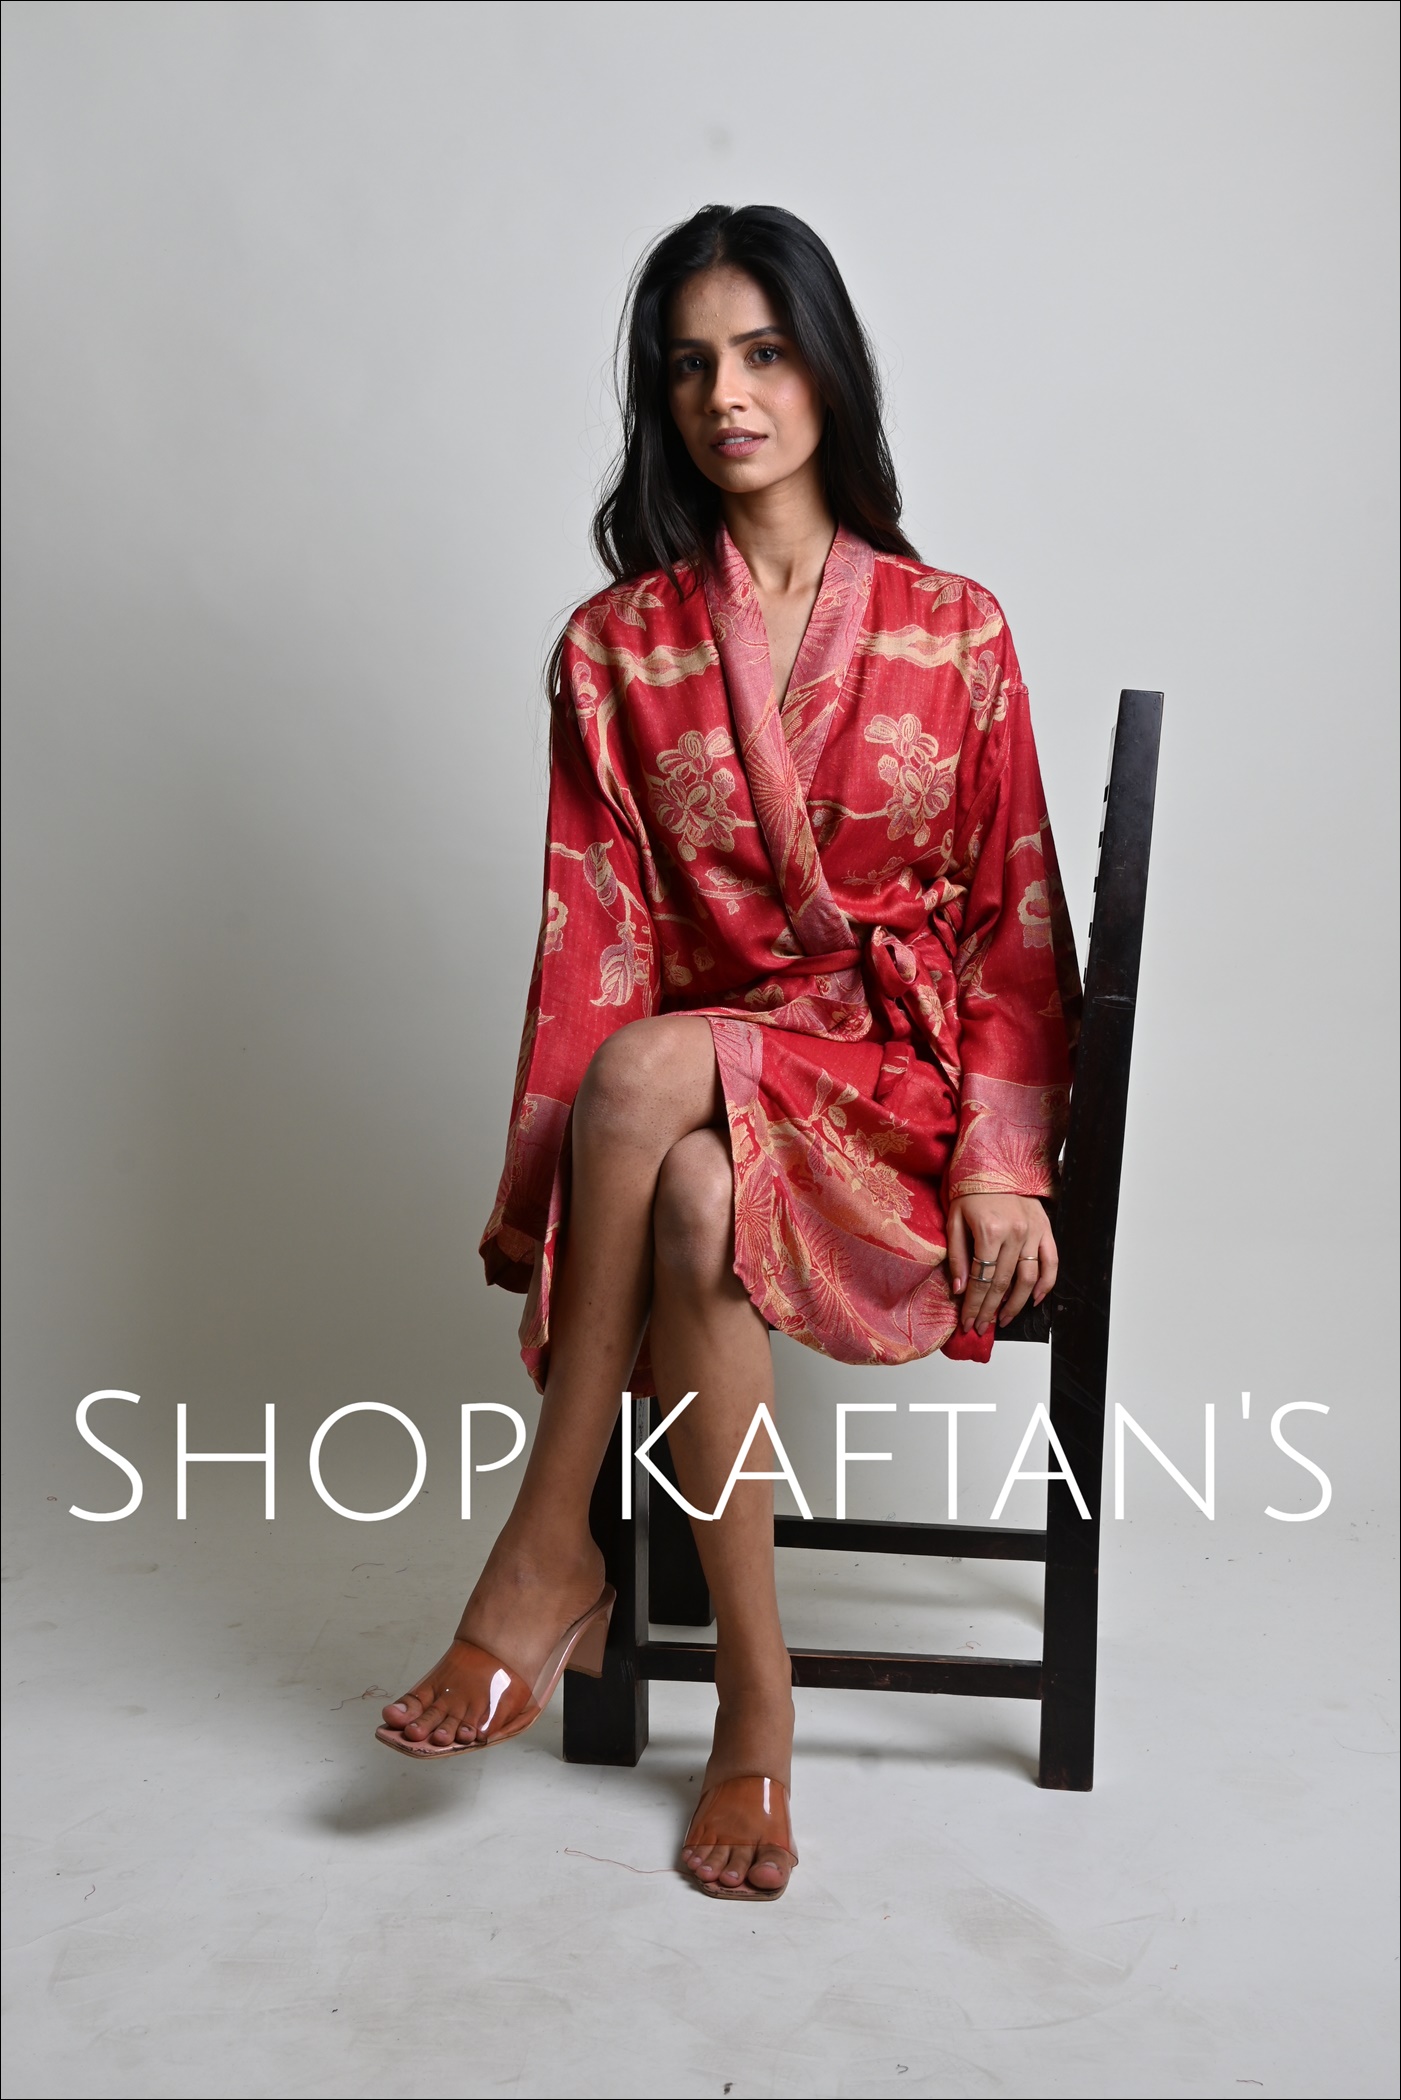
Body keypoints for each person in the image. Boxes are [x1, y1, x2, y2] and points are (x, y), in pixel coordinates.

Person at [377, 204, 1078, 1902]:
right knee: (685, 1184)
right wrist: (540, 1200)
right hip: (715, 1092)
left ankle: (546, 1551)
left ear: (828, 369)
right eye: (689, 365)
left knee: (645, 1081)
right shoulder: (616, 647)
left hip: (896, 1098)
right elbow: (593, 941)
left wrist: (1004, 1164)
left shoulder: (954, 629)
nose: (727, 396)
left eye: (762, 353)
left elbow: (1013, 914)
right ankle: (754, 1715)